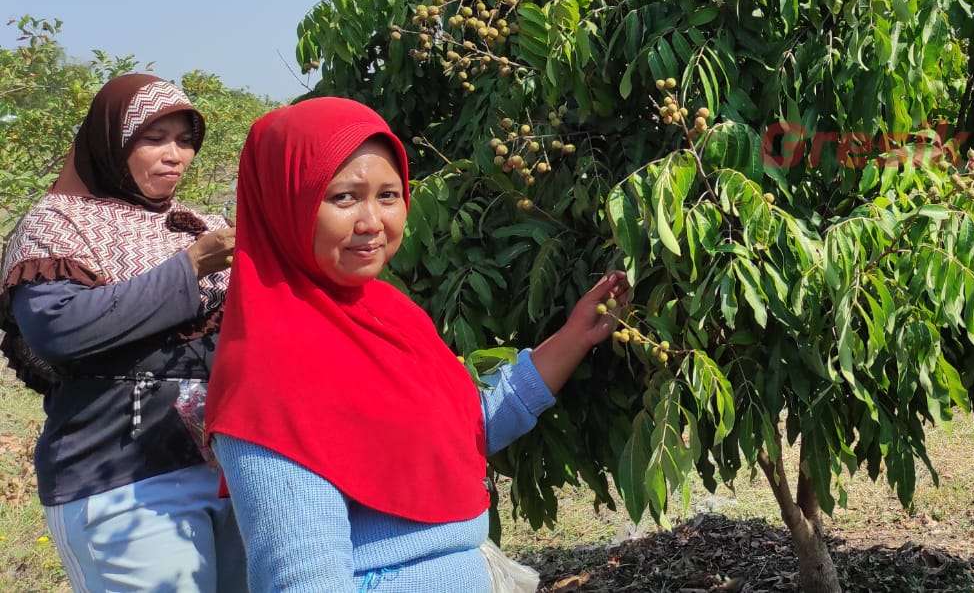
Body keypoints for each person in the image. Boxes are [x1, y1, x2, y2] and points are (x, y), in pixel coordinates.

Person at [204, 97, 628, 592]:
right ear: (283, 204)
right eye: (343, 197)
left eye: (388, 195)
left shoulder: (389, 314)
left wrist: (577, 335)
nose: (372, 222)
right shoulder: (268, 374)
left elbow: (461, 431)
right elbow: (303, 580)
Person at [0, 74, 244, 592]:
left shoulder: (196, 224)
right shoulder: (58, 224)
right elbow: (62, 331)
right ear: (112, 142)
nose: (174, 155)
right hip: (121, 478)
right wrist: (190, 267)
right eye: (153, 139)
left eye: (184, 140)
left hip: (222, 471)